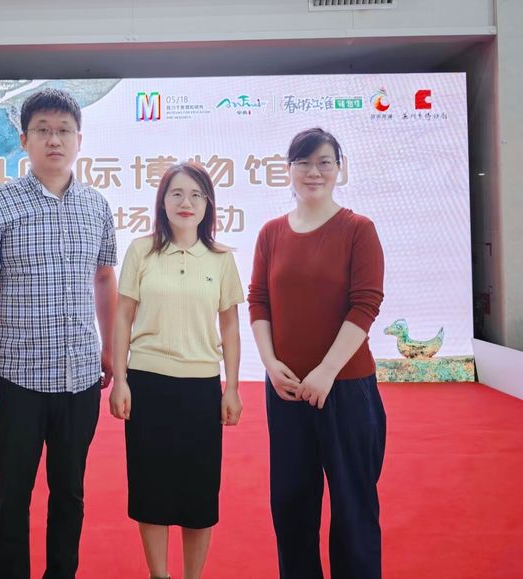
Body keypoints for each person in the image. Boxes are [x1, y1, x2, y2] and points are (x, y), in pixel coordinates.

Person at [0, 88, 117, 579]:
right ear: (24, 140)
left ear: (79, 140)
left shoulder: (97, 206)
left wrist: (111, 350)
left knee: (70, 494)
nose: (55, 140)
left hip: (80, 379)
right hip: (16, 381)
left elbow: (104, 279)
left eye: (64, 131)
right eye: (43, 130)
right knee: (13, 496)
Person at [248, 128, 386, 579]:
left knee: (353, 506)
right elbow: (258, 302)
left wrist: (327, 371)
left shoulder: (358, 229)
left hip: (345, 388)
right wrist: (270, 365)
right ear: (288, 170)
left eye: (324, 162)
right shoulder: (271, 233)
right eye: (303, 163)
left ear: (338, 169)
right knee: (291, 505)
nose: (314, 172)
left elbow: (365, 304)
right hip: (286, 392)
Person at [110, 161, 244, 579]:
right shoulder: (141, 251)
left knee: (198, 494)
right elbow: (123, 317)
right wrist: (120, 379)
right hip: (147, 385)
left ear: (208, 205)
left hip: (201, 388)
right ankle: (159, 575)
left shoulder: (221, 259)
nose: (186, 203)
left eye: (196, 195)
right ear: (163, 202)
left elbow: (230, 325)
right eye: (177, 194)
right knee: (151, 489)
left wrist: (231, 387)